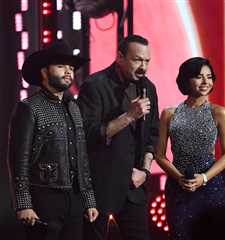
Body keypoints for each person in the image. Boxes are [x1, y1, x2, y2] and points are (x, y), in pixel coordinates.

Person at [7, 40, 98, 240]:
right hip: (43, 198)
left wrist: (88, 200)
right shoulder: (30, 107)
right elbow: (18, 160)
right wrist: (24, 204)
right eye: (61, 66)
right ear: (44, 72)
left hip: (74, 200)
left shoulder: (74, 107)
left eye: (71, 68)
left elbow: (81, 157)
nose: (68, 72)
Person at [77, 35, 160, 240]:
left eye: (147, 61)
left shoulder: (148, 87)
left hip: (134, 188)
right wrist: (129, 116)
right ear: (120, 57)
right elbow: (87, 135)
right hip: (101, 188)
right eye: (137, 60)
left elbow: (153, 134)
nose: (143, 66)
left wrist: (145, 171)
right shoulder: (94, 85)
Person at [156, 57, 225, 240]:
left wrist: (204, 178)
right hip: (178, 187)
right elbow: (160, 155)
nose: (206, 82)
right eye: (199, 77)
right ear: (185, 80)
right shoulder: (169, 114)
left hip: (210, 186)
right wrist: (179, 178)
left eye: (209, 76)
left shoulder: (219, 112)